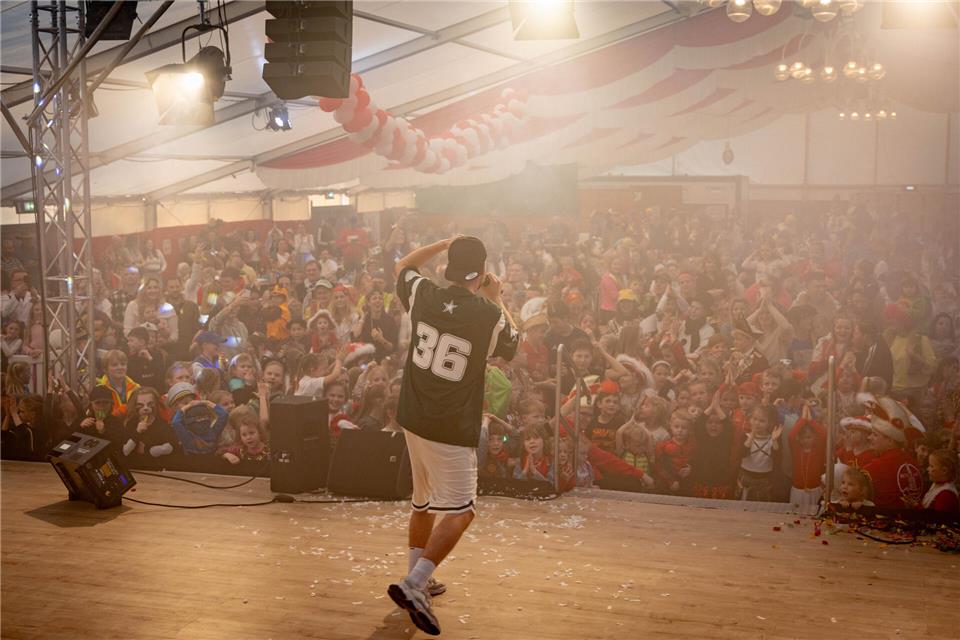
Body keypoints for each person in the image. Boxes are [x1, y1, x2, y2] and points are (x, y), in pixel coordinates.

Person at [387, 235, 519, 637]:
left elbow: (403, 266)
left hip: (413, 417)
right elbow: (511, 346)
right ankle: (414, 585)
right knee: (462, 510)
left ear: (446, 268)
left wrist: (443, 242)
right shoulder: (487, 315)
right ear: (481, 273)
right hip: (450, 427)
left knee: (423, 502)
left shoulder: (423, 293)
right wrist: (497, 297)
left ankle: (417, 577)